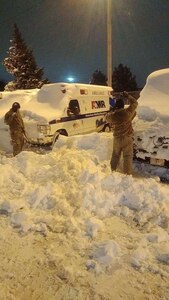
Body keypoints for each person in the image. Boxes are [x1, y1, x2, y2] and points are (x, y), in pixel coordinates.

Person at [106, 92, 138, 175]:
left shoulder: (113, 116)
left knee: (115, 155)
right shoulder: (128, 113)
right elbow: (135, 103)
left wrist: (112, 110)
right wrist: (128, 96)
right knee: (127, 156)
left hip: (117, 139)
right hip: (127, 138)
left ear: (116, 107)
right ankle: (127, 174)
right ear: (123, 106)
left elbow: (106, 117)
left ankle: (112, 171)